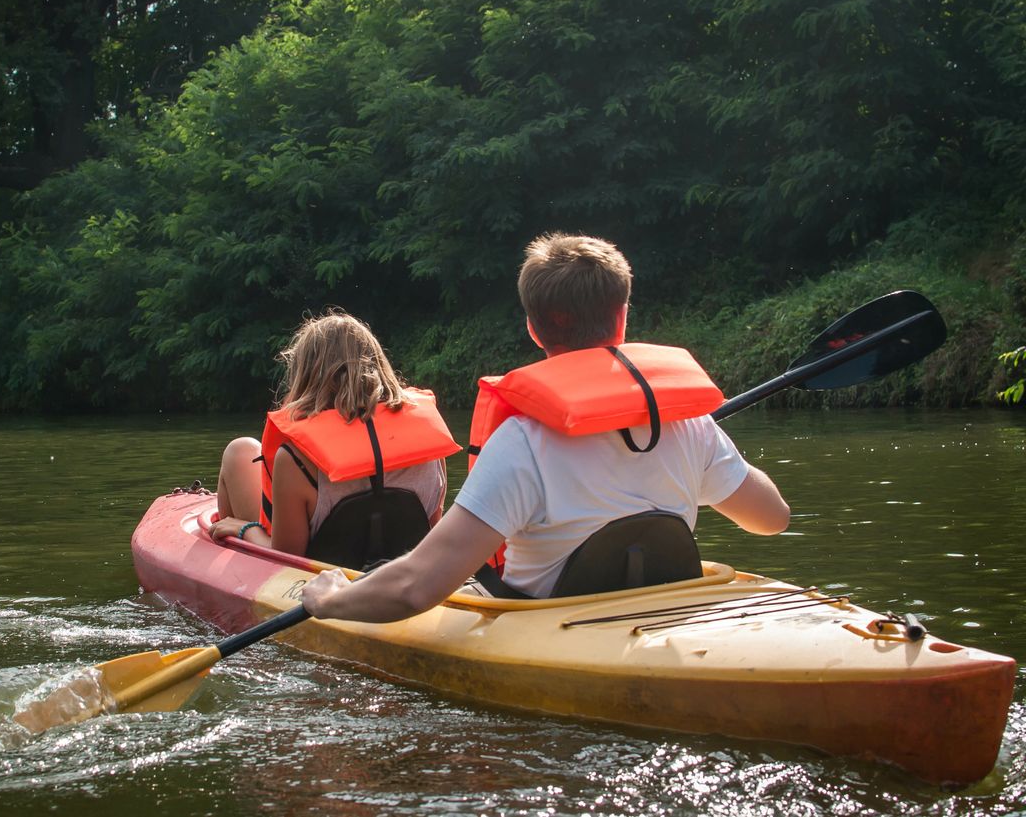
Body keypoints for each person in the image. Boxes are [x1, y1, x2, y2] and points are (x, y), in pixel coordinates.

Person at [302, 233, 789, 621]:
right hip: (658, 620)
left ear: (534, 329)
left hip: (550, 624)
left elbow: (415, 588)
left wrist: (330, 601)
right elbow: (772, 518)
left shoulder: (522, 442)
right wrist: (713, 446)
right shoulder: (689, 424)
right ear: (622, 319)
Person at [209, 310, 458, 563]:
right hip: (401, 579)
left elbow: (285, 559)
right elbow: (430, 539)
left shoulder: (296, 458)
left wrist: (243, 528)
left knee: (239, 451)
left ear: (305, 375)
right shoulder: (430, 446)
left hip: (319, 584)